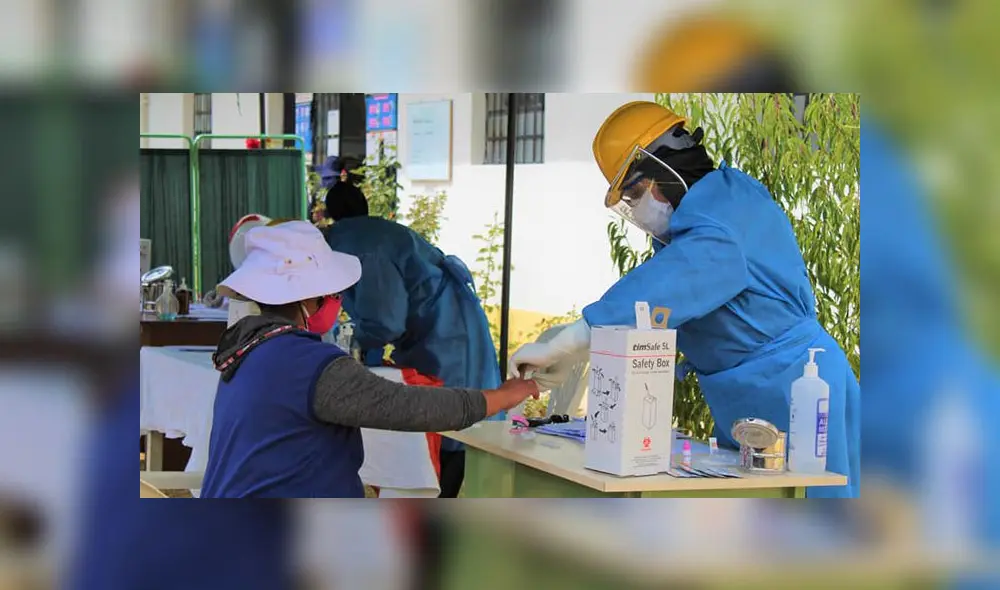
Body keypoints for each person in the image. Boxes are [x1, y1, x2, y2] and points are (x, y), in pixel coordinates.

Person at [509, 101, 861, 498]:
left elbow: (662, 288)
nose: (636, 208)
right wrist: (576, 352)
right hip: (745, 394)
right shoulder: (693, 228)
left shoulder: (725, 214)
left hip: (797, 390)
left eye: (635, 192)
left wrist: (568, 342)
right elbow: (658, 313)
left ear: (666, 168)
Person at [200, 221, 538, 498]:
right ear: (309, 298)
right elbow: (413, 408)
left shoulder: (248, 350)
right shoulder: (310, 365)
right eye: (333, 294)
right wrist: (502, 396)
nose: (339, 302)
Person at [323, 181, 500, 498]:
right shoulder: (371, 234)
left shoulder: (357, 246)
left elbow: (385, 322)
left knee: (449, 422)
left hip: (448, 335)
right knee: (440, 426)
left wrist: (350, 340)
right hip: (443, 328)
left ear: (328, 214)